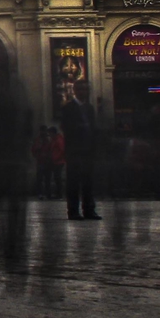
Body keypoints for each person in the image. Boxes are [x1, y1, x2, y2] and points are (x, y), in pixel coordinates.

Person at [59, 81, 101, 221]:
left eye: (86, 89)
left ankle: (89, 209)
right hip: (74, 150)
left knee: (88, 182)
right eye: (81, 89)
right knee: (73, 182)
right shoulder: (68, 108)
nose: (84, 92)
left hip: (88, 150)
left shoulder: (89, 108)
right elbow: (65, 127)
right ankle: (73, 211)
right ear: (75, 91)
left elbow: (93, 128)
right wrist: (80, 127)